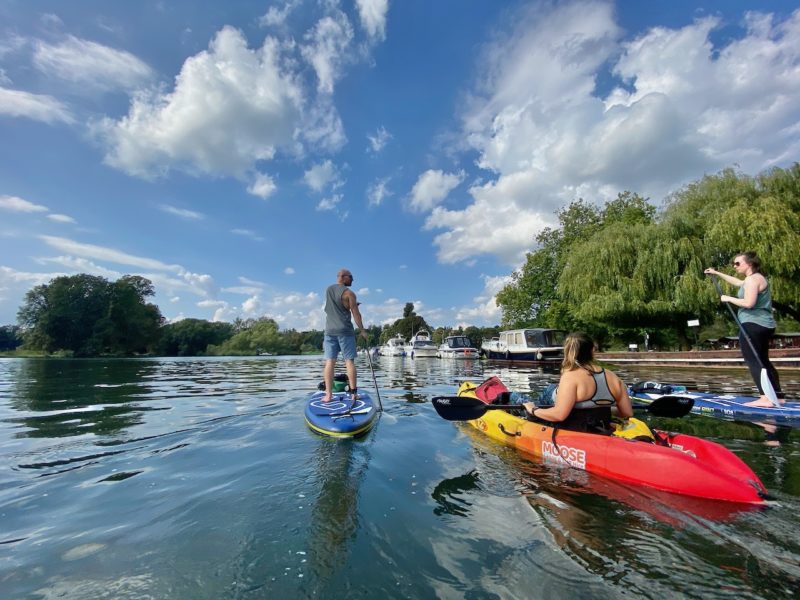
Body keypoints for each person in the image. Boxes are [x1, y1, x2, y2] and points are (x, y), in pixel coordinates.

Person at [704, 251, 783, 407]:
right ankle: (778, 396)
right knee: (763, 360)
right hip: (764, 325)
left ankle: (766, 398)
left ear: (750, 264)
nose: (735, 266)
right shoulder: (754, 278)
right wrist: (716, 273)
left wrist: (728, 298)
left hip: (753, 325)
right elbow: (738, 283)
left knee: (753, 360)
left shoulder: (753, 280)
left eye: (738, 263)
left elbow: (749, 303)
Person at [521, 332, 633, 432]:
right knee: (551, 389)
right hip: (599, 426)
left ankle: (522, 405)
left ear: (567, 351)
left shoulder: (570, 376)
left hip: (574, 426)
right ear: (592, 350)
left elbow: (559, 415)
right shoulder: (613, 377)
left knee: (526, 399)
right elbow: (627, 413)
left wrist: (533, 410)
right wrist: (602, 406)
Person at [322, 268, 369, 402]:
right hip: (345, 331)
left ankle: (328, 395)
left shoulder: (328, 290)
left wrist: (349, 306)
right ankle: (354, 394)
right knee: (349, 361)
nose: (353, 279)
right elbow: (356, 314)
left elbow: (334, 307)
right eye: (351, 277)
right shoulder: (350, 294)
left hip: (330, 331)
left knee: (330, 362)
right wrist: (362, 331)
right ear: (343, 276)